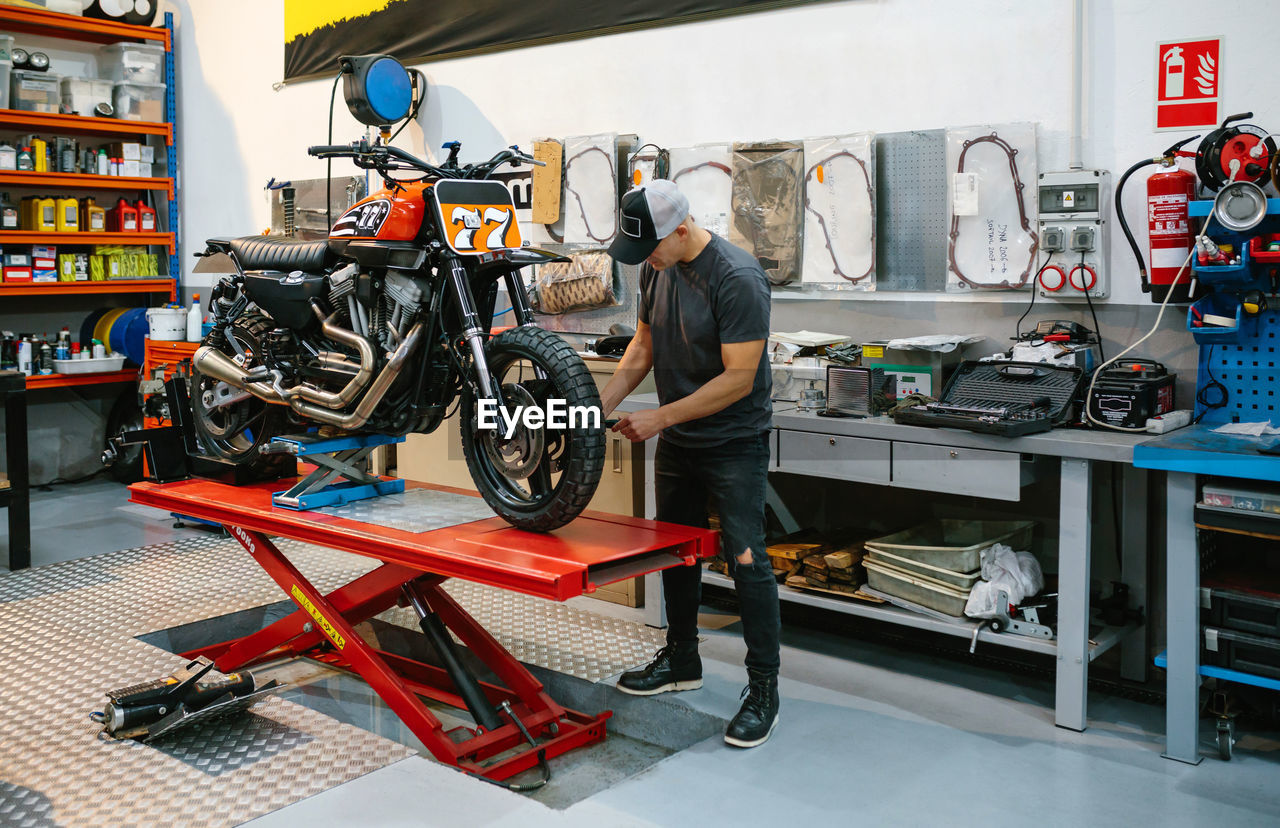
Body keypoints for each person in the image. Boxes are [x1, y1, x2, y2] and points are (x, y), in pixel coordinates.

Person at [599, 179, 780, 748]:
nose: (644, 261)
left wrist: (658, 419)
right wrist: (596, 406)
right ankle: (681, 660)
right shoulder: (657, 267)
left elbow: (738, 378)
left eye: (651, 247)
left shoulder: (738, 277)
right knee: (676, 550)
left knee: (747, 559)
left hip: (732, 441)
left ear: (681, 229)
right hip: (679, 439)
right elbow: (643, 349)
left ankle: (764, 689)